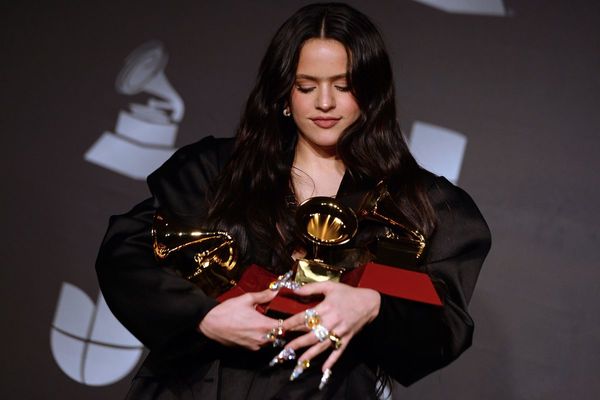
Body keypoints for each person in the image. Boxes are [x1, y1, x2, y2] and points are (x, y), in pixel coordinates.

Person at [96, 3, 491, 399]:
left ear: (372, 94)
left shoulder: (418, 201)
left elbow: (445, 321)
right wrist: (204, 318)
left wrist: (372, 306)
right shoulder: (216, 171)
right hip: (196, 385)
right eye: (306, 86)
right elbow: (126, 254)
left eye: (343, 85)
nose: (324, 103)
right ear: (284, 94)